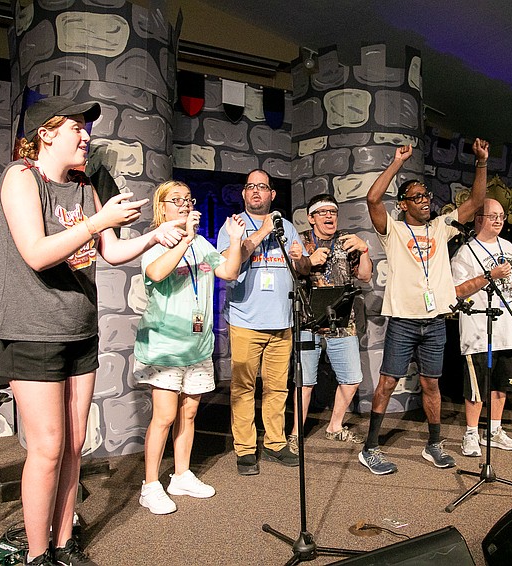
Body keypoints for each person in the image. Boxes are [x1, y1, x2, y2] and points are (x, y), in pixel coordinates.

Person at [0, 96, 186, 566]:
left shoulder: (84, 187)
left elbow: (111, 251)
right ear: (46, 134)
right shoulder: (22, 177)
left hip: (80, 329)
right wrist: (99, 221)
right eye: (76, 128)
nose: (86, 136)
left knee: (74, 445)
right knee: (48, 447)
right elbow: (37, 253)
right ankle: (37, 554)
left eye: (87, 128)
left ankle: (63, 544)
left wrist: (155, 235)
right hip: (33, 331)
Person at [359, 140, 489, 475]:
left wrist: (481, 163)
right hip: (403, 321)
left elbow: (476, 202)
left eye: (426, 195)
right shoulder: (393, 229)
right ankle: (370, 448)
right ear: (403, 204)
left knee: (432, 385)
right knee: (388, 383)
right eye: (417, 197)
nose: (425, 200)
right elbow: (373, 199)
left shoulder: (441, 226)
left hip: (435, 321)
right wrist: (396, 163)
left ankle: (433, 445)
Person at [133, 181, 246, 514]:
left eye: (188, 199)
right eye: (176, 199)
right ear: (162, 207)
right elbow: (156, 272)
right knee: (165, 416)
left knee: (189, 412)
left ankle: (181, 475)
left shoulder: (200, 242)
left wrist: (235, 241)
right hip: (166, 346)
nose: (184, 204)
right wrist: (184, 238)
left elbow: (228, 271)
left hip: (197, 345)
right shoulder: (159, 240)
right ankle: (150, 485)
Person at [217, 169, 310, 476]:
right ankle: (245, 449)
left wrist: (300, 258)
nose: (256, 191)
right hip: (246, 320)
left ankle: (275, 442)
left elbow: (304, 268)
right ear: (244, 194)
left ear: (272, 194)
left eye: (262, 186)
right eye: (250, 186)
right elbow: (230, 261)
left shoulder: (288, 227)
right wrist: (262, 231)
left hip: (282, 321)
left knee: (277, 388)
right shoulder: (234, 225)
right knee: (243, 388)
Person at [287, 194, 372, 454]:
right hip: (308, 322)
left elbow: (365, 275)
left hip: (342, 322)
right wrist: (308, 260)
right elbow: (295, 271)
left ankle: (335, 426)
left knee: (351, 379)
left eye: (332, 212)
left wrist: (364, 250)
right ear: (311, 218)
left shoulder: (348, 240)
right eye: (322, 212)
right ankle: (296, 434)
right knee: (305, 382)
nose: (329, 216)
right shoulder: (300, 240)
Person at [451, 198, 512, 457]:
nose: (498, 221)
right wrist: (489, 276)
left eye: (501, 216)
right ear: (478, 219)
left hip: (509, 327)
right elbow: (457, 290)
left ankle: (494, 430)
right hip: (479, 329)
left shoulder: (508, 246)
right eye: (492, 216)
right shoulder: (467, 252)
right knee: (477, 388)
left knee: (502, 384)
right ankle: (471, 433)